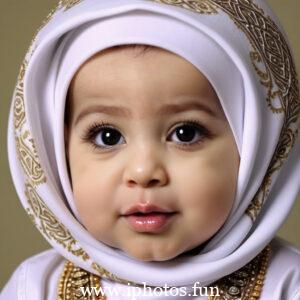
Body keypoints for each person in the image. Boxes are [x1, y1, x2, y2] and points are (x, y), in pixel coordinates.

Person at [1, 0, 300, 299]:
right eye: (108, 136)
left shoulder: (287, 284)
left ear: (252, 147)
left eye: (185, 133)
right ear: (60, 152)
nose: (143, 172)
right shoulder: (36, 288)